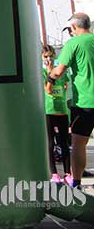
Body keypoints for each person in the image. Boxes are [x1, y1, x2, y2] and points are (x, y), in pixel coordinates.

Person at [46, 13, 94, 189]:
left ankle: (77, 184)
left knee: (78, 143)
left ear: (74, 27)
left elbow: (58, 71)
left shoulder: (73, 43)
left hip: (85, 103)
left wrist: (49, 80)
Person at [43, 44, 71, 185]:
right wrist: (49, 73)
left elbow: (65, 86)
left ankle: (67, 173)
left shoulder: (61, 72)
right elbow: (48, 90)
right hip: (49, 111)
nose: (49, 59)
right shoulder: (42, 72)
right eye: (45, 56)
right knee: (50, 143)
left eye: (51, 56)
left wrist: (55, 74)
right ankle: (54, 173)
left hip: (62, 111)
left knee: (64, 142)